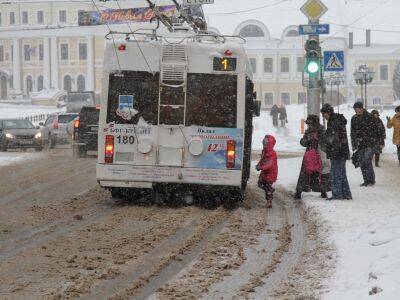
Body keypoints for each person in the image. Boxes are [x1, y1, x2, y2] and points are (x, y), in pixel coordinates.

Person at [294, 115, 331, 199]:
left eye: (310, 123)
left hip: (319, 155)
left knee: (319, 173)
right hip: (309, 155)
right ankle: (299, 191)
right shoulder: (308, 131)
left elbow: (325, 142)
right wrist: (306, 140)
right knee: (305, 173)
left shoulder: (321, 130)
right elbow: (303, 142)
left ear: (315, 123)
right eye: (308, 124)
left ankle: (323, 191)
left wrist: (317, 140)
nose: (308, 125)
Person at [321, 103, 352, 200]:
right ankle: (346, 194)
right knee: (341, 174)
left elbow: (333, 138)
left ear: (328, 113)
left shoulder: (333, 122)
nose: (324, 116)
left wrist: (325, 140)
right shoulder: (337, 120)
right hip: (341, 151)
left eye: (324, 114)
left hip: (337, 152)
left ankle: (337, 195)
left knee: (335, 174)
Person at [351, 101, 380, 187]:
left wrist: (378, 141)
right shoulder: (354, 118)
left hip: (370, 143)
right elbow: (352, 132)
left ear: (362, 108)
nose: (356, 111)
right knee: (361, 161)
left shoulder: (370, 117)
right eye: (355, 109)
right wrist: (353, 143)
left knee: (367, 160)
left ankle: (371, 180)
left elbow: (377, 130)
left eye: (357, 109)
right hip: (360, 143)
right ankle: (366, 180)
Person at [256, 135, 278, 209]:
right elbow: (262, 160)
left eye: (265, 142)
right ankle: (270, 191)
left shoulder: (272, 153)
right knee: (260, 183)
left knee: (268, 186)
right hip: (265, 172)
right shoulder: (264, 151)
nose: (264, 144)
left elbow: (269, 165)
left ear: (269, 143)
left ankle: (269, 202)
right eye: (264, 142)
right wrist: (259, 164)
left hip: (271, 173)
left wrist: (261, 167)